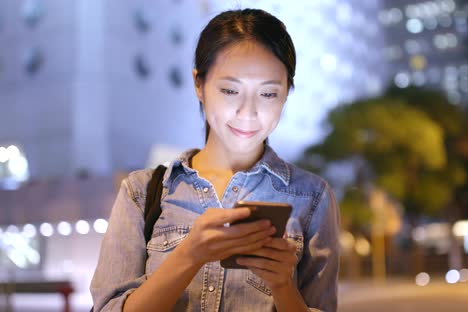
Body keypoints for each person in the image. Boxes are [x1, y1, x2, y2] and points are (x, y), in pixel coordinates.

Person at [90, 8, 340, 312]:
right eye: (230, 90)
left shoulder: (312, 198)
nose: (248, 112)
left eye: (269, 94)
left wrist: (284, 286)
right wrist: (189, 256)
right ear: (199, 84)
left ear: (286, 92)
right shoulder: (142, 192)